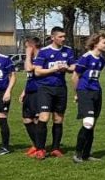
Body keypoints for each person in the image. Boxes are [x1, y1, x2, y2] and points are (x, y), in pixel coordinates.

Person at [31, 27, 76, 159]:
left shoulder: (68, 50)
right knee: (44, 117)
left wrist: (67, 68)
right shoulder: (44, 52)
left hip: (61, 88)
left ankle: (56, 148)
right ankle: (40, 149)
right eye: (60, 37)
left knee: (58, 119)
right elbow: (37, 71)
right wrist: (54, 69)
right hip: (45, 88)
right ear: (53, 37)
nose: (63, 39)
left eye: (64, 37)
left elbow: (74, 66)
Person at [71, 33, 105, 162]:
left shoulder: (102, 60)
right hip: (85, 92)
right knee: (88, 123)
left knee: (92, 125)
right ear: (95, 43)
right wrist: (77, 93)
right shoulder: (85, 58)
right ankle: (77, 153)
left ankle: (86, 154)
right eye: (104, 42)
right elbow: (75, 76)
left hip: (97, 92)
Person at [19, 36, 44, 156]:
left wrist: (28, 55)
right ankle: (36, 145)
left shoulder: (42, 57)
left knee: (37, 120)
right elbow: (29, 75)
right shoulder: (31, 58)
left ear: (31, 47)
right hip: (30, 92)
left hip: (40, 92)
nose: (25, 50)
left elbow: (28, 68)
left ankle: (40, 147)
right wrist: (24, 91)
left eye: (26, 47)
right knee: (27, 119)